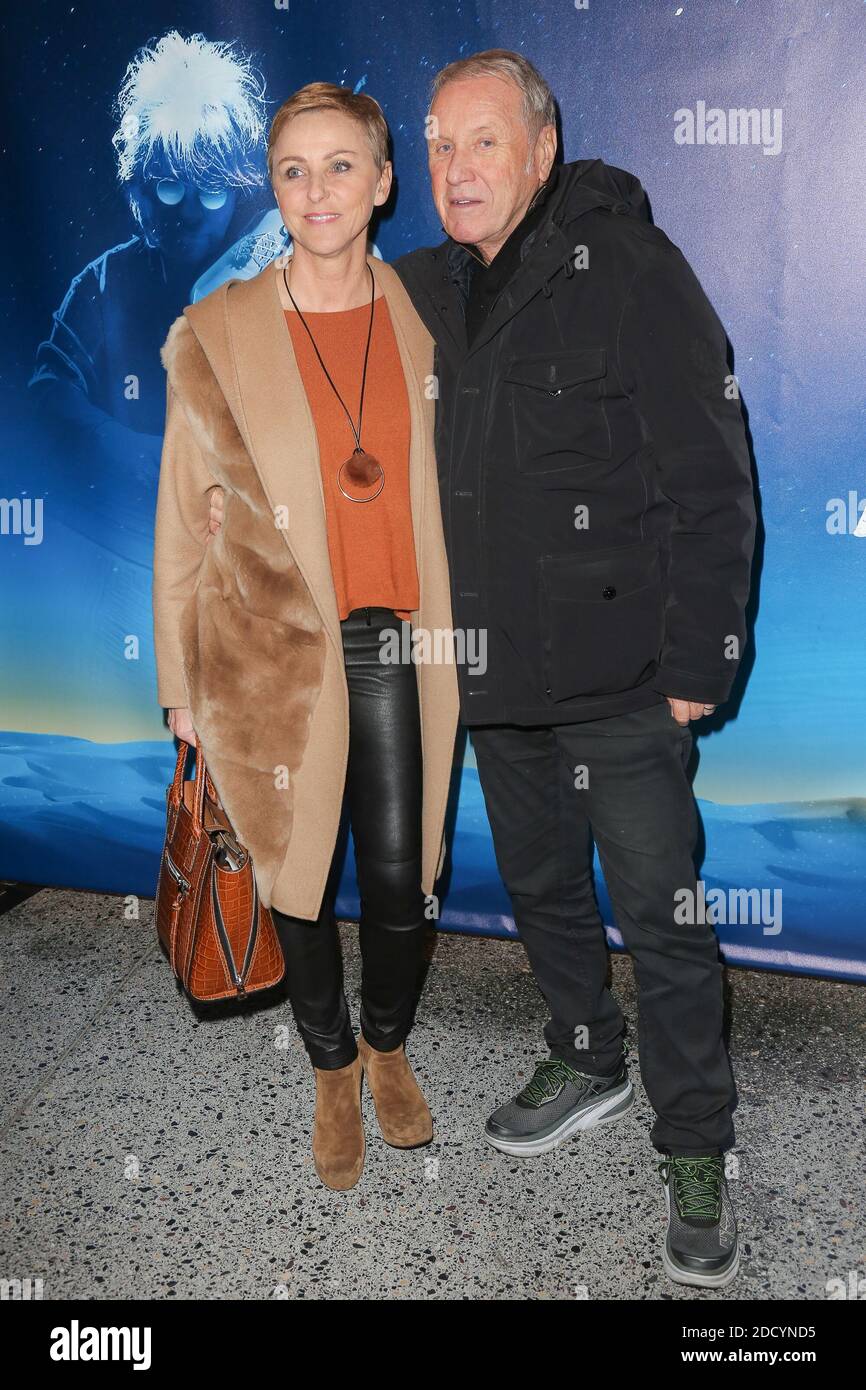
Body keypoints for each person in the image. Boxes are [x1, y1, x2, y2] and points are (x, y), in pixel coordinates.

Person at [391, 49, 756, 1289]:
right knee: (543, 890)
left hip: (622, 678)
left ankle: (697, 1144)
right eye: (436, 145)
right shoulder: (427, 288)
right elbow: (307, 315)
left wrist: (699, 660)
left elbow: (711, 470)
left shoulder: (628, 268)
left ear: (541, 150)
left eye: (480, 142)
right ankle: (584, 1053)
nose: (454, 168)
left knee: (664, 919)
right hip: (494, 678)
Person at [152, 83, 459, 1192]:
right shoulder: (219, 330)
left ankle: (386, 1045)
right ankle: (331, 1067)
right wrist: (181, 679)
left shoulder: (431, 310)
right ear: (273, 190)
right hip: (271, 650)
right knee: (291, 869)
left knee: (396, 871)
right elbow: (185, 516)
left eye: (341, 166)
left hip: (398, 639)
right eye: (293, 169)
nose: (317, 190)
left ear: (382, 183)